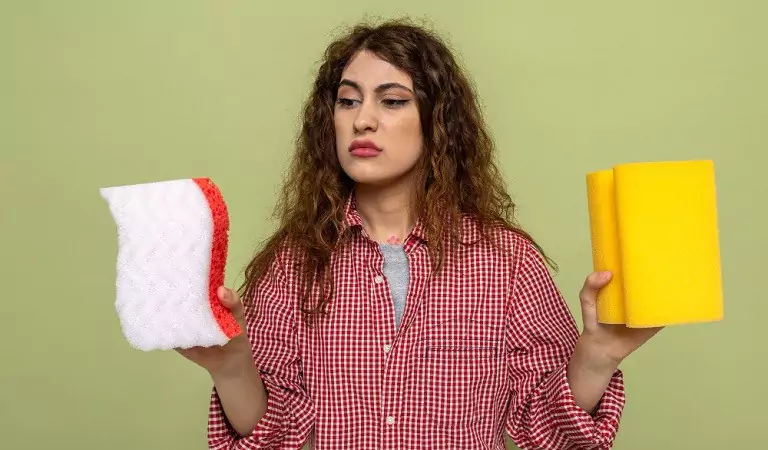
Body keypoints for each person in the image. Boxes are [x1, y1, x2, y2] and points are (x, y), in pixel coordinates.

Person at [177, 18, 662, 449]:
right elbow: (271, 438)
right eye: (347, 101)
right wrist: (232, 367)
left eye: (391, 101)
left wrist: (596, 359)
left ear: (437, 121)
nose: (362, 119)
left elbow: (549, 435)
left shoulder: (508, 261)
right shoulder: (293, 263)